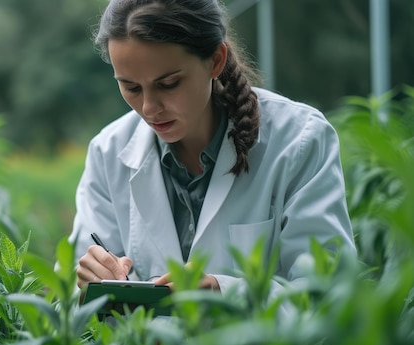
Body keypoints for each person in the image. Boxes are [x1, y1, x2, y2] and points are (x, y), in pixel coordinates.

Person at [69, 0, 356, 295]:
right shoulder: (108, 153)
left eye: (168, 84)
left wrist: (226, 293)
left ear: (215, 60)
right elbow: (70, 301)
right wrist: (88, 281)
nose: (149, 108)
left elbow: (330, 293)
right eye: (131, 87)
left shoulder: (299, 139)